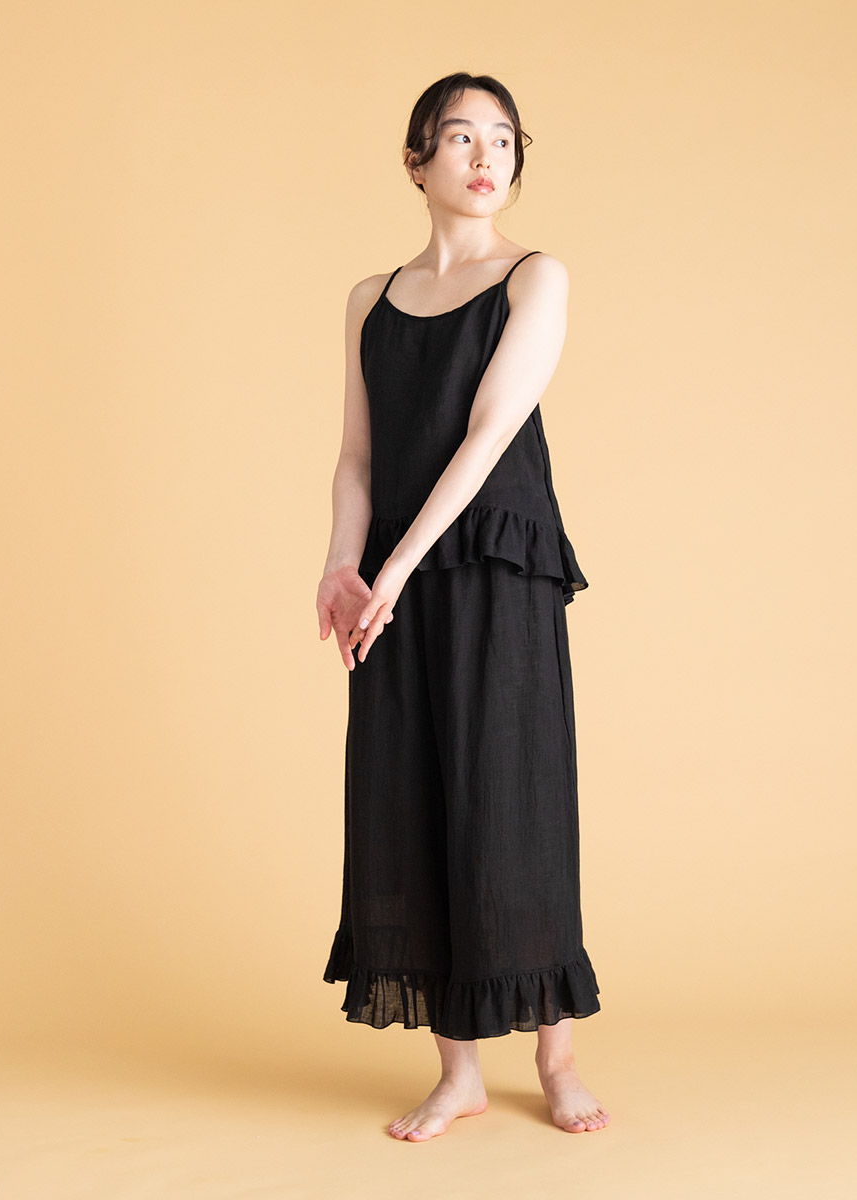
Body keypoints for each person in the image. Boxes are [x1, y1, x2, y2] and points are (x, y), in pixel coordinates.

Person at [316, 73, 609, 1141]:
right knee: (412, 799)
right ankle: (460, 1074)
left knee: (512, 800)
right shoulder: (370, 299)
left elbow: (489, 435)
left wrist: (391, 570)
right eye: (460, 137)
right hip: (394, 581)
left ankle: (556, 1057)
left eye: (503, 140)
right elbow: (358, 456)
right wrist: (341, 566)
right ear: (416, 160)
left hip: (493, 568)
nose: (487, 158)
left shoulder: (536, 276)